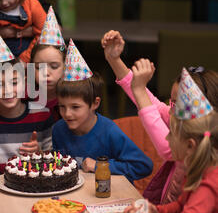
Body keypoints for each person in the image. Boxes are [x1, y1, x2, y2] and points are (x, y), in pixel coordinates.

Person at [101, 30, 218, 203]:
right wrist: (114, 59)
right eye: (172, 103)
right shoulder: (177, 118)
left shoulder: (199, 146)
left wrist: (139, 89)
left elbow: (166, 149)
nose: (170, 110)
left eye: (178, 104)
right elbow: (151, 103)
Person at [123, 71, 217, 213]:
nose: (166, 139)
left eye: (171, 134)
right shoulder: (198, 169)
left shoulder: (207, 187)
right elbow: (182, 205)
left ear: (190, 145)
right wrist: (157, 211)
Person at [52, 39, 153, 183]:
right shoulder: (58, 130)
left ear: (95, 103)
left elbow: (143, 166)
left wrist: (100, 166)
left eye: (75, 107)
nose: (67, 114)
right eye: (62, 106)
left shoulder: (110, 132)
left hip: (108, 198)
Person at [0, 58, 54, 174]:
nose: (8, 90)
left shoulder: (42, 115)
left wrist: (39, 155)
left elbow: (55, 162)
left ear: (25, 83)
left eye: (14, 83)